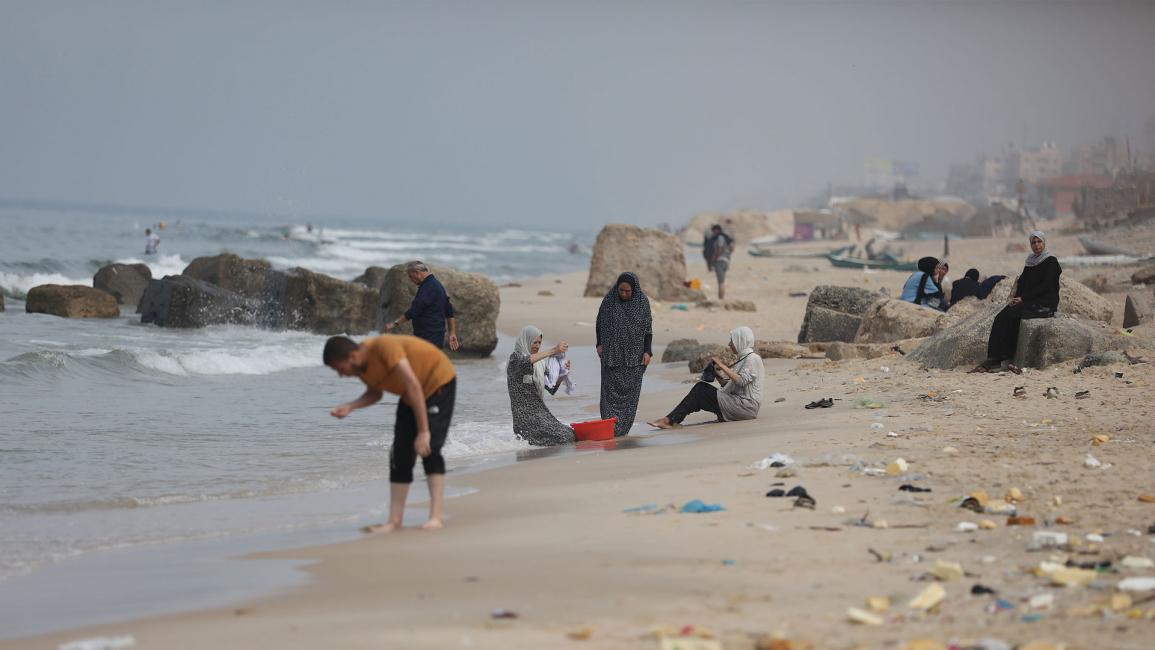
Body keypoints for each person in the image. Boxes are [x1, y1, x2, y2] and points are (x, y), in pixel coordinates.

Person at [324, 334, 456, 532]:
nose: (341, 375)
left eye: (340, 369)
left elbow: (413, 384)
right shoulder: (361, 367)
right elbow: (375, 393)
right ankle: (394, 521)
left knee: (429, 448)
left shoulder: (384, 347)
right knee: (399, 454)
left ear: (352, 356)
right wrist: (351, 406)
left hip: (438, 382)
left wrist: (423, 431)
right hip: (410, 394)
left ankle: (435, 517)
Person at [972, 231, 1062, 374]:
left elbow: (1045, 285)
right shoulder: (1031, 262)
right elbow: (1023, 282)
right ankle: (994, 358)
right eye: (1033, 242)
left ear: (1044, 243)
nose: (1037, 245)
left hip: (1044, 302)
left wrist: (1023, 298)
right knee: (1001, 316)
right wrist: (1017, 298)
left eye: (1039, 242)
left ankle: (1004, 356)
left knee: (1012, 315)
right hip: (1029, 300)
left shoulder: (1051, 261)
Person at [647, 327, 764, 429]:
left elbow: (741, 381)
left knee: (700, 390)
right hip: (740, 405)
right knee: (700, 392)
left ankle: (670, 420)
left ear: (740, 341)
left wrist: (722, 365)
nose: (729, 344)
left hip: (746, 407)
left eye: (732, 341)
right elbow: (731, 385)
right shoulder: (743, 359)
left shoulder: (753, 359)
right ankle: (671, 419)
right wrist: (716, 374)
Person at [596, 272, 652, 437]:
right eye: (621, 290)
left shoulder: (642, 303)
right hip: (611, 357)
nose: (624, 294)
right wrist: (599, 344)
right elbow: (599, 324)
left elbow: (648, 330)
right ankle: (608, 428)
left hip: (634, 358)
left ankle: (622, 430)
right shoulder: (609, 301)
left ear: (634, 290)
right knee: (608, 395)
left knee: (630, 397)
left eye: (628, 291)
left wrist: (647, 351)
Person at [506, 326, 574, 446]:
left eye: (539, 343)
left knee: (570, 433)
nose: (537, 346)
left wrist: (563, 373)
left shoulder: (540, 362)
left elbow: (551, 388)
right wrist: (553, 350)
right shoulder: (515, 359)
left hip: (540, 413)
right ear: (526, 341)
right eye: (534, 342)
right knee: (564, 437)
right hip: (525, 419)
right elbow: (525, 361)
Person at [385, 261, 460, 351]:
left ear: (417, 272)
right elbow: (449, 310)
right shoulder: (436, 285)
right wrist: (452, 333)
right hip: (435, 336)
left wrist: (395, 323)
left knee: (422, 363)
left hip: (428, 337)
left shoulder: (428, 288)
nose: (411, 280)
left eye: (410, 276)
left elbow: (414, 311)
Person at [709, 225, 735, 300]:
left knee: (720, 282)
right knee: (722, 281)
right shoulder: (726, 238)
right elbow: (732, 248)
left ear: (717, 230)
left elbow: (719, 249)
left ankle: (721, 298)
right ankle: (721, 298)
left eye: (713, 231)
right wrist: (727, 255)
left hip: (720, 260)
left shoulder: (720, 238)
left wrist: (714, 259)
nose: (713, 233)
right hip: (726, 260)